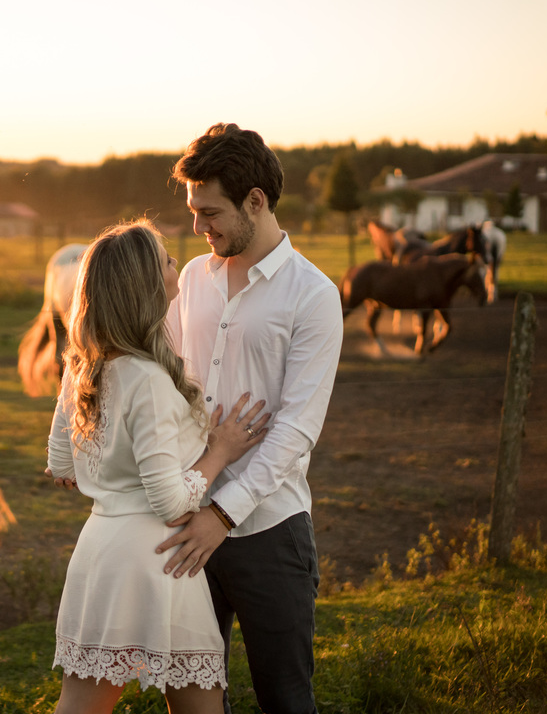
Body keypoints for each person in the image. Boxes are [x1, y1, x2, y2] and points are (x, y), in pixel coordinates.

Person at [156, 123, 344, 714]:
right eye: (192, 211)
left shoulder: (313, 295)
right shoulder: (190, 279)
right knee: (189, 697)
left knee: (285, 699)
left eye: (210, 212)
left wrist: (223, 515)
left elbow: (296, 428)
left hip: (269, 530)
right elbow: (163, 384)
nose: (197, 227)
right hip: (185, 523)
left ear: (255, 201)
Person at [47, 219, 271, 714]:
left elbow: (60, 462)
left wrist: (109, 474)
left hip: (100, 552)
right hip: (156, 557)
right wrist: (219, 451)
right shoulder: (145, 377)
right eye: (168, 261)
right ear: (146, 286)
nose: (178, 267)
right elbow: (169, 501)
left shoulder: (83, 365)